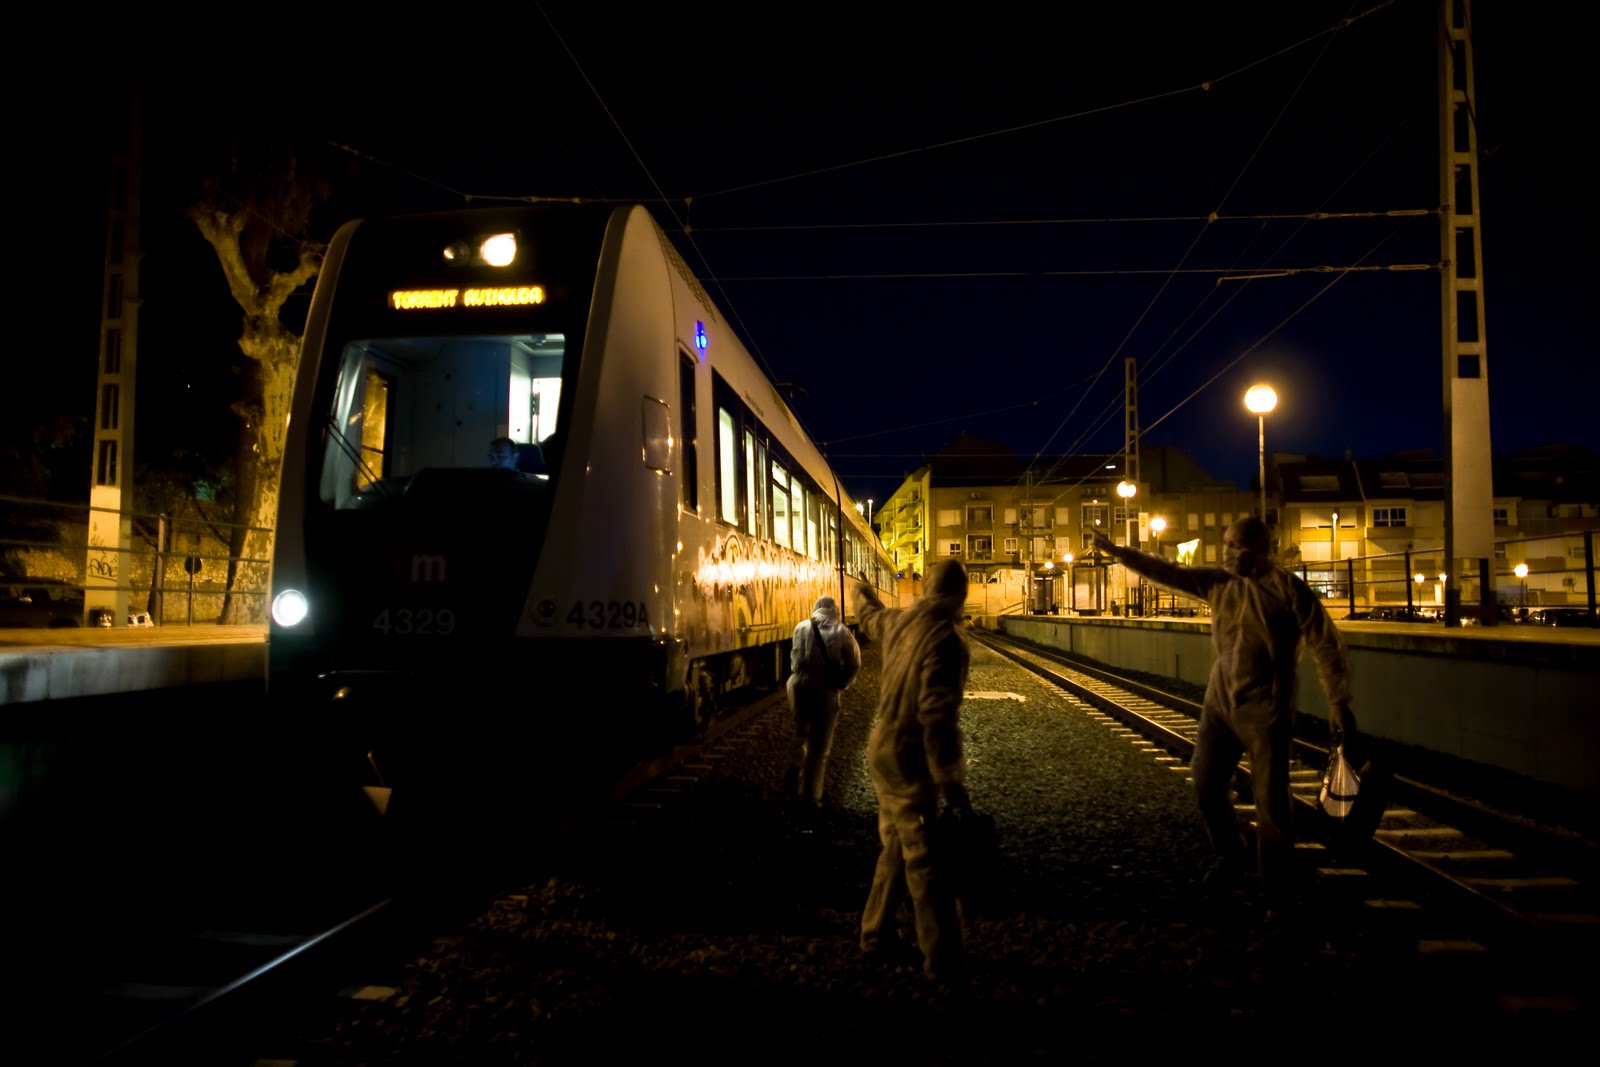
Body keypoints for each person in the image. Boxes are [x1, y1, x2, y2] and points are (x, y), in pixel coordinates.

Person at [1091, 517, 1356, 918]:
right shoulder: (1219, 583)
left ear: (1261, 549)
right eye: (1228, 545)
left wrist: (1338, 700)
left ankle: (1276, 891)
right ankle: (1231, 855)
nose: (1229, 553)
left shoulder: (1287, 590)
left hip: (1267, 706)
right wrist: (1118, 553)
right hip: (1221, 701)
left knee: (1271, 803)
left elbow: (1325, 641)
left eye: (1238, 547)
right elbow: (1168, 572)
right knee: (1205, 781)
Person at [848, 558, 973, 982]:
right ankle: (943, 959)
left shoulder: (898, 622)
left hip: (880, 744)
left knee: (899, 846)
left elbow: (867, 615)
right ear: (960, 596)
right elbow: (937, 718)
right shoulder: (947, 640)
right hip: (910, 751)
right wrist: (951, 781)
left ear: (926, 590)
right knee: (926, 855)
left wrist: (860, 588)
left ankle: (875, 934)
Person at [783, 595, 862, 807]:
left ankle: (793, 773)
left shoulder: (801, 628)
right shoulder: (842, 632)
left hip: (799, 686)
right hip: (825, 690)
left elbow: (794, 657)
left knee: (801, 733)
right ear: (835, 610)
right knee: (819, 747)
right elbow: (854, 664)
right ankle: (810, 797)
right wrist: (843, 683)